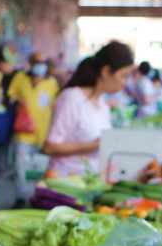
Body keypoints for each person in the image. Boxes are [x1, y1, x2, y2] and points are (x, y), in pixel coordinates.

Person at [43, 42, 133, 177]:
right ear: (106, 71)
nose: (124, 83)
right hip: (65, 182)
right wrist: (95, 144)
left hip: (90, 181)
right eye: (123, 76)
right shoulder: (72, 98)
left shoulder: (103, 104)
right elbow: (50, 147)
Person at [8, 52, 59, 206]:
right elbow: (11, 95)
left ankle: (35, 197)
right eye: (36, 61)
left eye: (42, 62)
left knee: (37, 169)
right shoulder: (20, 78)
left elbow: (55, 107)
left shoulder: (51, 83)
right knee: (20, 167)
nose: (39, 65)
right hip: (23, 133)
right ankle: (22, 197)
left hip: (42, 133)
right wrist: (17, 102)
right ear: (30, 62)